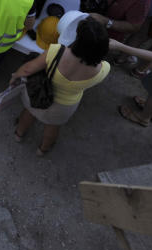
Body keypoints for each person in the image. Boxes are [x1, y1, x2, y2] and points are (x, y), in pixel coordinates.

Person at [11, 15, 110, 156]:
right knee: (52, 127)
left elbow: (28, 69)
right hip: (65, 106)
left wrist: (15, 76)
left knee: (29, 113)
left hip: (39, 93)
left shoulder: (57, 51)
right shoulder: (103, 69)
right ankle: (43, 149)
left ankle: (18, 134)